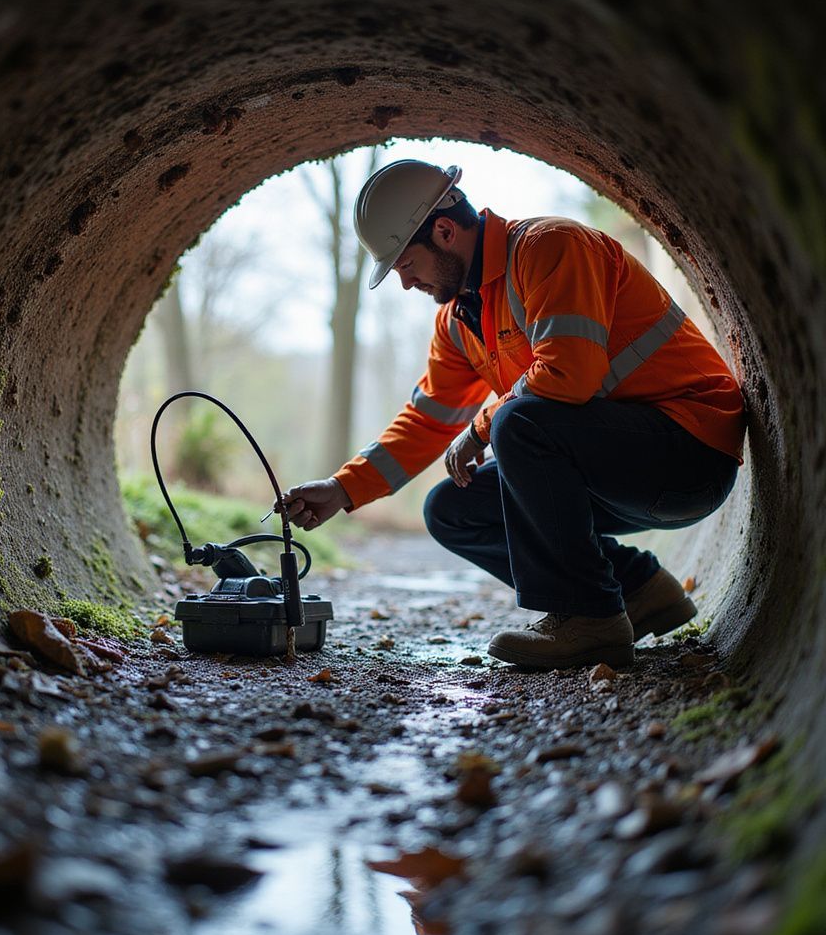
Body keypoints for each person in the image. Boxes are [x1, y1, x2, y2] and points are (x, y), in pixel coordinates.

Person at [280, 159, 746, 670]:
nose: (405, 284)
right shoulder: (459, 319)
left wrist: (480, 429)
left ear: (443, 230)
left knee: (515, 423)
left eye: (407, 265)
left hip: (690, 454)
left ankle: (588, 619)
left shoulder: (552, 247)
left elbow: (569, 374)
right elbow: (429, 420)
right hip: (618, 470)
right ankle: (640, 591)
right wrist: (342, 488)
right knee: (451, 510)